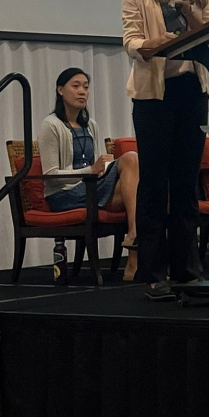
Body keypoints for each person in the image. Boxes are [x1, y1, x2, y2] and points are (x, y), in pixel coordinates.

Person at [122, 0, 209, 301]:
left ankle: (187, 271)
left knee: (186, 183)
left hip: (191, 91)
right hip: (153, 97)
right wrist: (153, 44)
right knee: (155, 184)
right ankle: (153, 272)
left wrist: (189, 10)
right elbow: (131, 40)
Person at [38, 69, 139, 281]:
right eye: (75, 86)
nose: (82, 91)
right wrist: (90, 170)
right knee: (131, 160)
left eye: (85, 87)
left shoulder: (91, 125)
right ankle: (135, 247)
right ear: (60, 90)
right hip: (63, 194)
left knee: (139, 180)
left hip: (91, 187)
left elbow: (98, 167)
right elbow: (50, 175)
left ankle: (134, 245)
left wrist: (100, 169)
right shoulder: (51, 125)